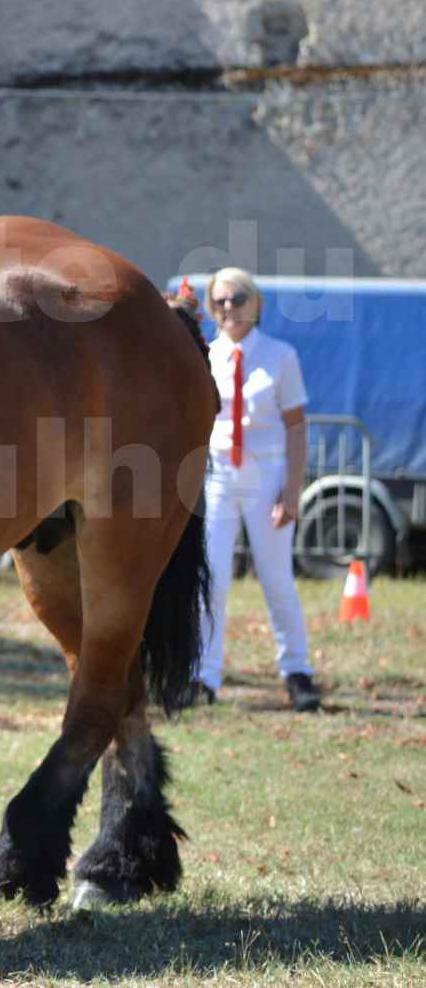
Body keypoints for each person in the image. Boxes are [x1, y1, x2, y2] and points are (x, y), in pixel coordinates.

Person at [191, 267, 321, 712]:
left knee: (276, 577)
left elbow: (296, 426)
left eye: (239, 299)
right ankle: (204, 676)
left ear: (256, 304)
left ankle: (297, 671)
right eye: (222, 300)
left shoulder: (280, 355)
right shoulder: (206, 355)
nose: (230, 308)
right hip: (220, 474)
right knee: (212, 580)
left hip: (267, 473)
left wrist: (292, 491)